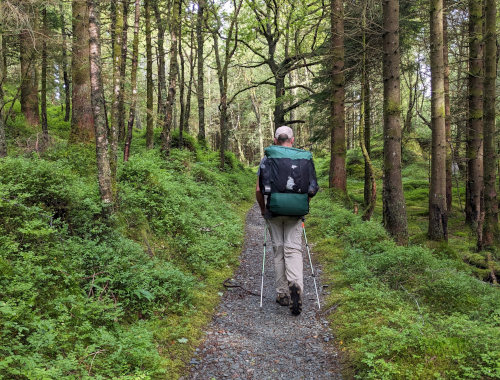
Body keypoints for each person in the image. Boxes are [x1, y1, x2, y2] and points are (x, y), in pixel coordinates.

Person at [256, 126, 319, 315]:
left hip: (274, 210)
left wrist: (263, 209)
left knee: (279, 251)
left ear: (275, 140)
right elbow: (312, 188)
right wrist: (301, 205)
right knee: (293, 249)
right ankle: (295, 284)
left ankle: (282, 293)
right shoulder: (303, 158)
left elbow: (259, 191)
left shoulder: (267, 158)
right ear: (292, 140)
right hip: (295, 212)